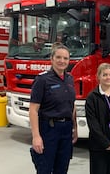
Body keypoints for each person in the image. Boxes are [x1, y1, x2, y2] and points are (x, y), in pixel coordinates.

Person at [29, 42, 78, 174]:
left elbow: (72, 105)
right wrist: (36, 137)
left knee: (62, 168)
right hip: (48, 130)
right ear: (52, 59)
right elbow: (33, 110)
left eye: (65, 58)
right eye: (58, 57)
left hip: (66, 130)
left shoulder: (70, 79)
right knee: (44, 168)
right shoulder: (42, 80)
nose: (62, 61)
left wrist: (75, 128)